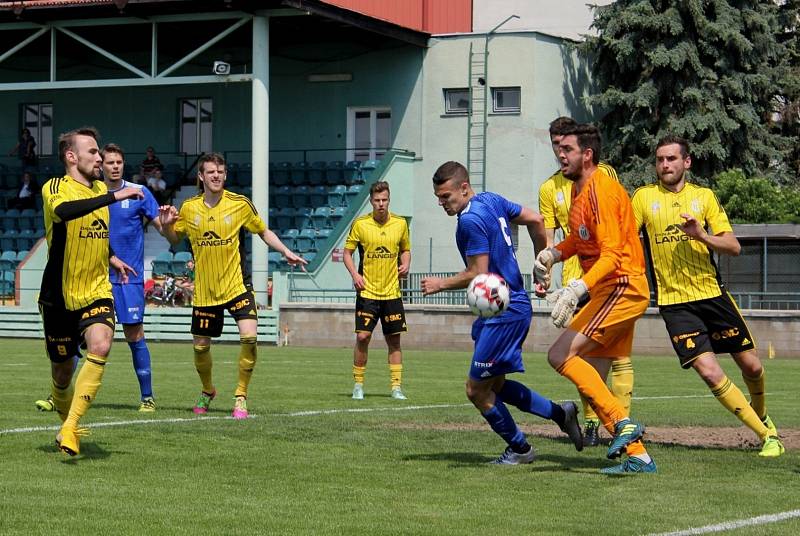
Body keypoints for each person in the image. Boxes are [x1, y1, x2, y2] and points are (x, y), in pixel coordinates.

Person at [421, 161, 583, 465]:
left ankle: (521, 450)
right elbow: (536, 220)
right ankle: (561, 413)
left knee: (476, 390)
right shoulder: (490, 200)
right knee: (495, 386)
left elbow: (477, 273)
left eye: (446, 197)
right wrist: (541, 265)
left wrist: (439, 284)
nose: (441, 203)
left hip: (503, 312)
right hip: (512, 305)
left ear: (464, 188)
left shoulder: (469, 220)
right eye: (438, 197)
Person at [631, 135, 783, 457]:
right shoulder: (643, 199)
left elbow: (734, 247)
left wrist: (701, 235)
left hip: (712, 295)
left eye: (671, 159)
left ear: (686, 162)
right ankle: (766, 435)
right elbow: (626, 239)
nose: (665, 165)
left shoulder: (704, 197)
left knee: (752, 367)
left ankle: (762, 412)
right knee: (710, 371)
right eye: (660, 160)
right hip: (674, 304)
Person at [534, 123, 656, 474]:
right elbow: (580, 237)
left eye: (568, 149)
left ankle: (624, 424)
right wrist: (554, 254)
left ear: (587, 154)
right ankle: (639, 457)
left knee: (559, 355)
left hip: (622, 286)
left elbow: (612, 255)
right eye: (558, 147)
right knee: (595, 376)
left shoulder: (602, 189)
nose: (560, 154)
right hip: (613, 288)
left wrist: (576, 289)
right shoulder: (579, 191)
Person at [158, 152, 305, 419]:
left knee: (249, 338)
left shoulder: (239, 204)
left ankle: (240, 395)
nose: (216, 175)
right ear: (201, 176)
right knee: (200, 348)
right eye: (211, 171)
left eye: (221, 171)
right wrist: (166, 227)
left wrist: (285, 251)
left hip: (237, 285)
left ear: (225, 175)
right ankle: (207, 390)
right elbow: (173, 238)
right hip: (205, 292)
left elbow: (263, 231)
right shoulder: (189, 208)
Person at [39, 127, 142, 456]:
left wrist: (112, 257)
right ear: (72, 157)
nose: (100, 158)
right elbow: (67, 213)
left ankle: (71, 428)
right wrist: (115, 196)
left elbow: (95, 230)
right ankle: (62, 411)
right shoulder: (54, 187)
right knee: (62, 371)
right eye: (93, 152)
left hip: (97, 289)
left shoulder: (99, 188)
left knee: (102, 343)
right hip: (59, 293)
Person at [343, 181, 411, 400]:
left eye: (384, 200)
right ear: (371, 201)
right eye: (377, 200)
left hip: (392, 292)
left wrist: (406, 263)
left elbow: (406, 249)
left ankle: (396, 387)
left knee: (394, 340)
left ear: (389, 200)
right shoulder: (361, 224)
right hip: (367, 293)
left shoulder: (400, 224)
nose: (381, 204)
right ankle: (358, 385)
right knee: (363, 337)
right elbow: (347, 253)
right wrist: (355, 275)